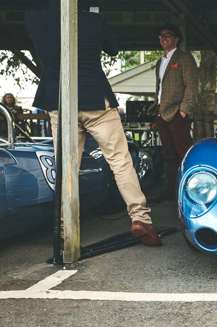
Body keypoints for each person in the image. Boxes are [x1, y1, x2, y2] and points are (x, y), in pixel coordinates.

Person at [25, 1, 160, 245]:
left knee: (66, 166)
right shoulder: (93, 14)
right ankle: (141, 218)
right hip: (95, 97)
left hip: (58, 98)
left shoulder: (35, 15)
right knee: (120, 160)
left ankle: (65, 226)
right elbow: (113, 48)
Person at [154, 24, 197, 200]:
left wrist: (184, 111)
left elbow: (192, 86)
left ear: (176, 39)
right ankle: (170, 190)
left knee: (184, 153)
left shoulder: (185, 58)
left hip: (178, 114)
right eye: (161, 36)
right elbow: (159, 89)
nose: (164, 39)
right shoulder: (160, 62)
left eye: (168, 36)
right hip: (162, 114)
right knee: (168, 154)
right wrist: (156, 110)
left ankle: (189, 190)